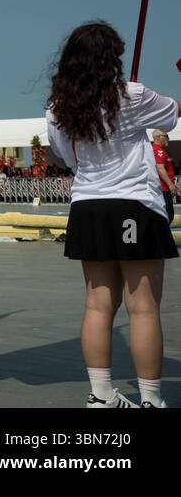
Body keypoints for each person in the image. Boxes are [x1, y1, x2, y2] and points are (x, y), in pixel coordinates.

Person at [45, 21, 178, 408]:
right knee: (143, 307)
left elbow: (68, 159)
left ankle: (101, 394)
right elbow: (172, 115)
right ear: (110, 60)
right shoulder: (131, 95)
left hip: (88, 206)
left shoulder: (56, 108)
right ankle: (151, 399)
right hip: (134, 204)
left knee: (98, 304)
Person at [151, 130, 176, 223]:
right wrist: (170, 184)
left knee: (167, 216)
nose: (168, 139)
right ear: (159, 137)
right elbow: (160, 167)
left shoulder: (158, 150)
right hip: (163, 190)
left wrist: (172, 183)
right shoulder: (158, 150)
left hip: (162, 189)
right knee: (167, 216)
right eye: (166, 136)